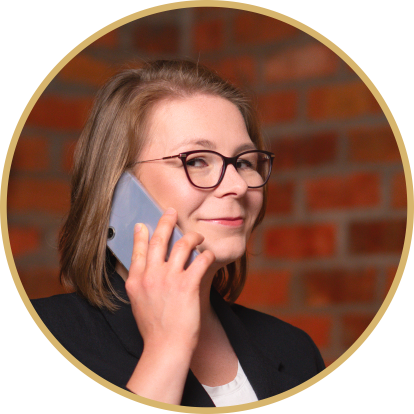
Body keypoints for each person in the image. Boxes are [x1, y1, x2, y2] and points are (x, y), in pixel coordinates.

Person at [31, 59, 325, 407]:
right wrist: (166, 349)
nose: (237, 186)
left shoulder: (295, 350)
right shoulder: (39, 339)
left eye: (244, 162)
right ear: (120, 188)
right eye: (197, 160)